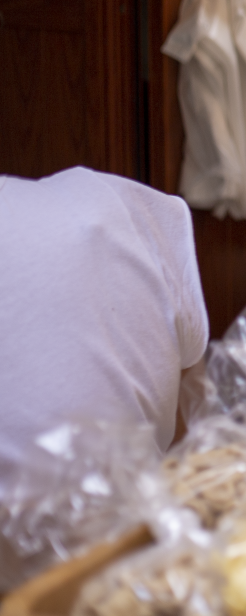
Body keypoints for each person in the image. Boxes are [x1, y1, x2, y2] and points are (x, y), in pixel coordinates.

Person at [0, 168, 209, 525]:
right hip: (150, 536)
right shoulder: (115, 203)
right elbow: (196, 421)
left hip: (132, 534)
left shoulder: (117, 207)